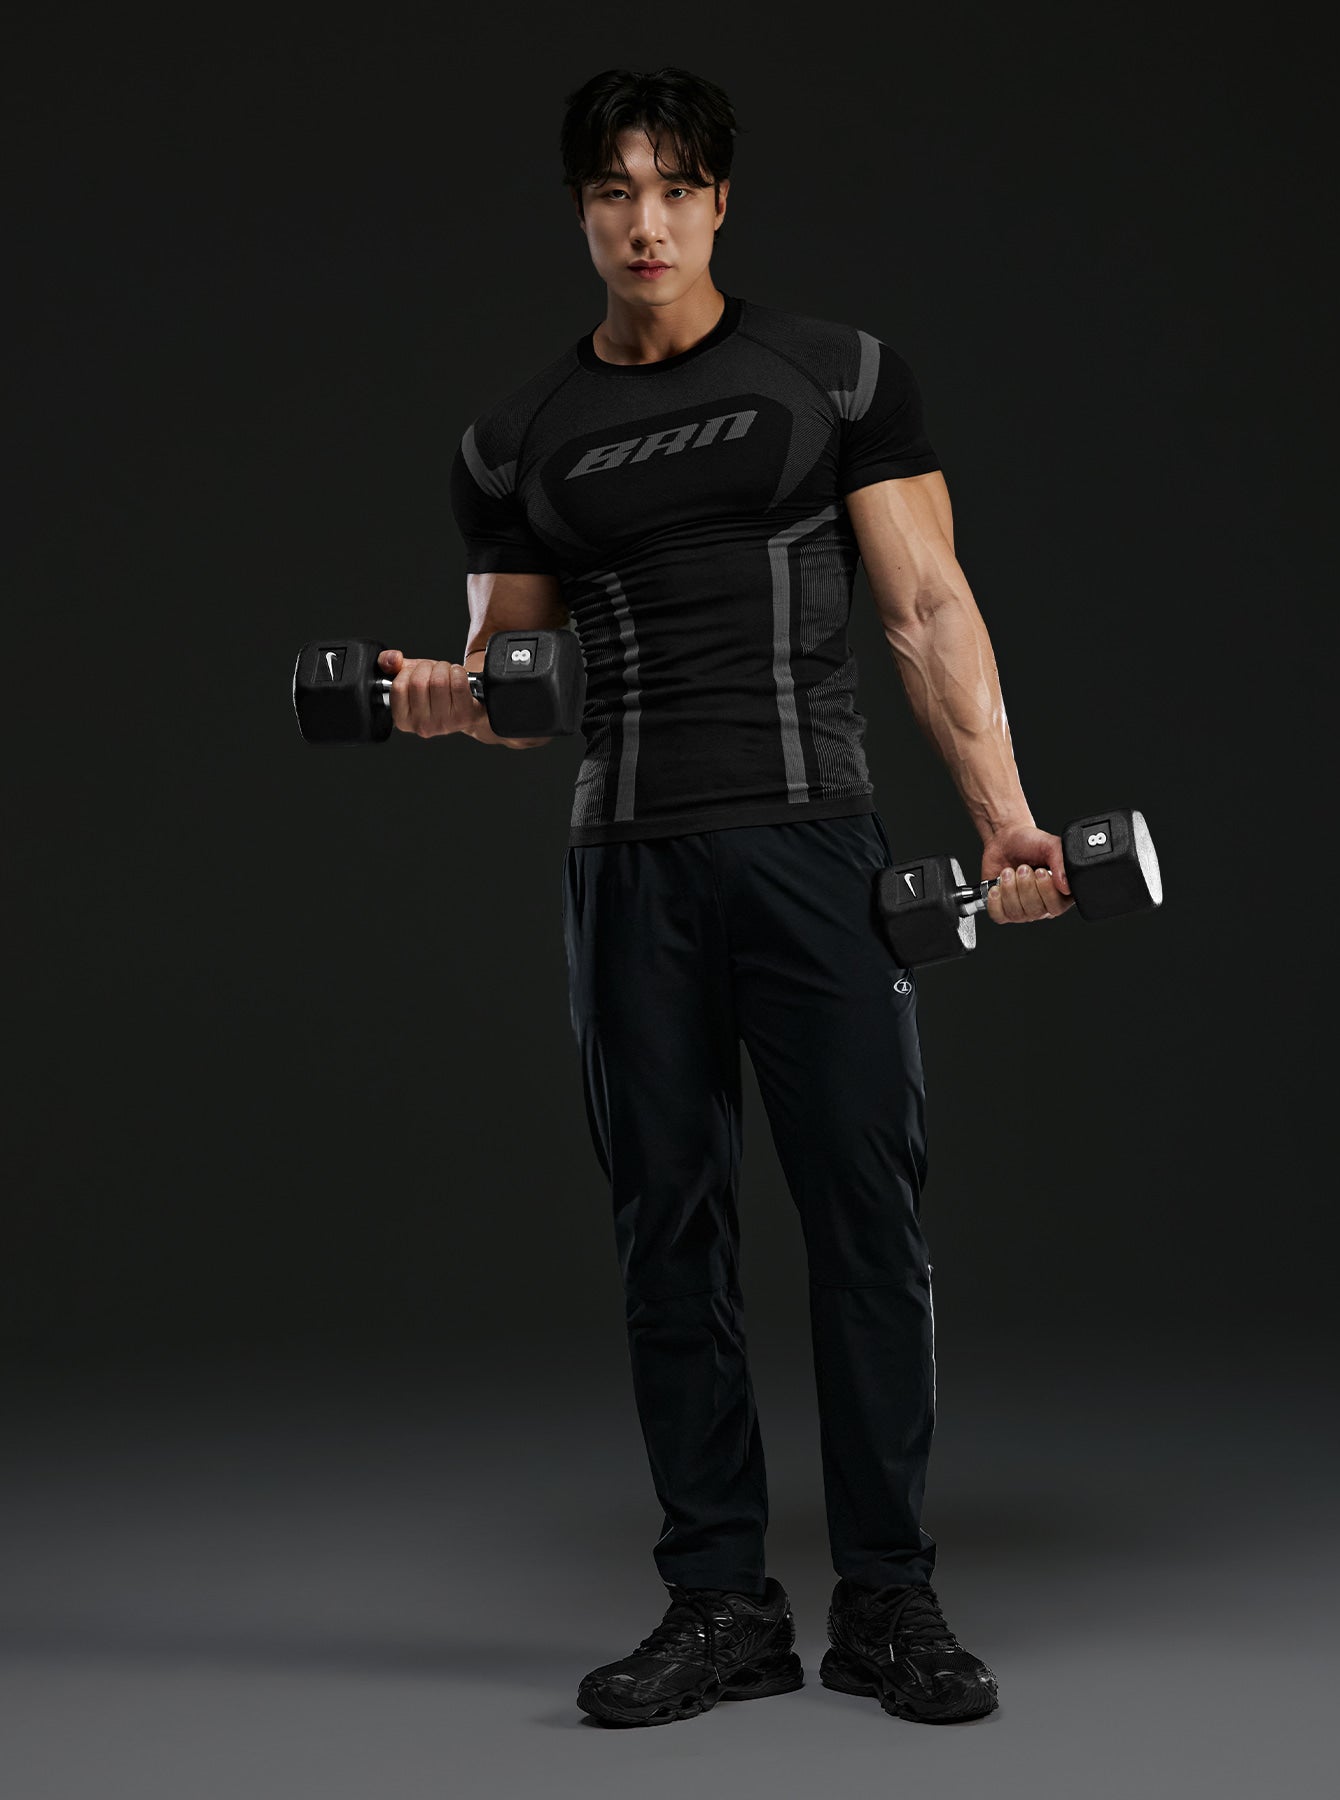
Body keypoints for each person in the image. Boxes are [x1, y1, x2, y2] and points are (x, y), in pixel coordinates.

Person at [378, 65, 1073, 1728]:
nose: (647, 221)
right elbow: (519, 683)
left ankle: (889, 1601)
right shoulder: (512, 442)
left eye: (675, 187)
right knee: (666, 1234)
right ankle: (720, 1606)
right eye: (615, 190)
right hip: (627, 866)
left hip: (814, 848)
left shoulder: (833, 378)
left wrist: (1004, 817)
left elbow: (927, 610)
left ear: (719, 202)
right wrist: (446, 699)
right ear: (580, 210)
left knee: (865, 1219)